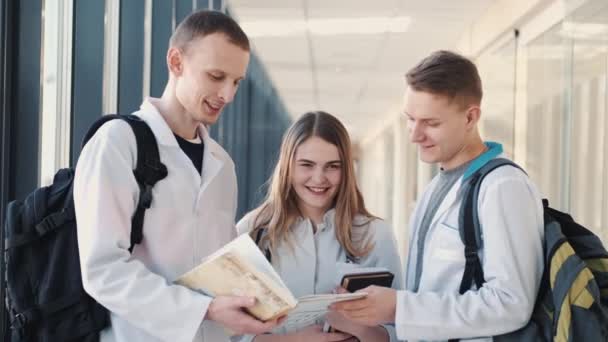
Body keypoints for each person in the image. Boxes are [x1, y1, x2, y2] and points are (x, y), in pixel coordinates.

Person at [74, 10, 281, 342]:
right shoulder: (117, 142)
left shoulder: (222, 164)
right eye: (216, 76)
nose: (227, 95)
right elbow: (103, 270)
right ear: (176, 62)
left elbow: (223, 268)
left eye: (236, 82)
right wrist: (204, 309)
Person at [331, 50, 545, 341]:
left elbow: (511, 303)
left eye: (431, 123)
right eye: (410, 119)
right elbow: (431, 292)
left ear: (470, 117)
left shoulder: (503, 187)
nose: (414, 135)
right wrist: (376, 308)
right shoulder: (435, 187)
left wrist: (400, 308)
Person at [235, 111, 403, 342]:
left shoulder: (375, 235)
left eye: (332, 166)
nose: (319, 178)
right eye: (307, 165)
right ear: (288, 166)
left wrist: (356, 327)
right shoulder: (252, 232)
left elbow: (399, 330)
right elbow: (228, 333)